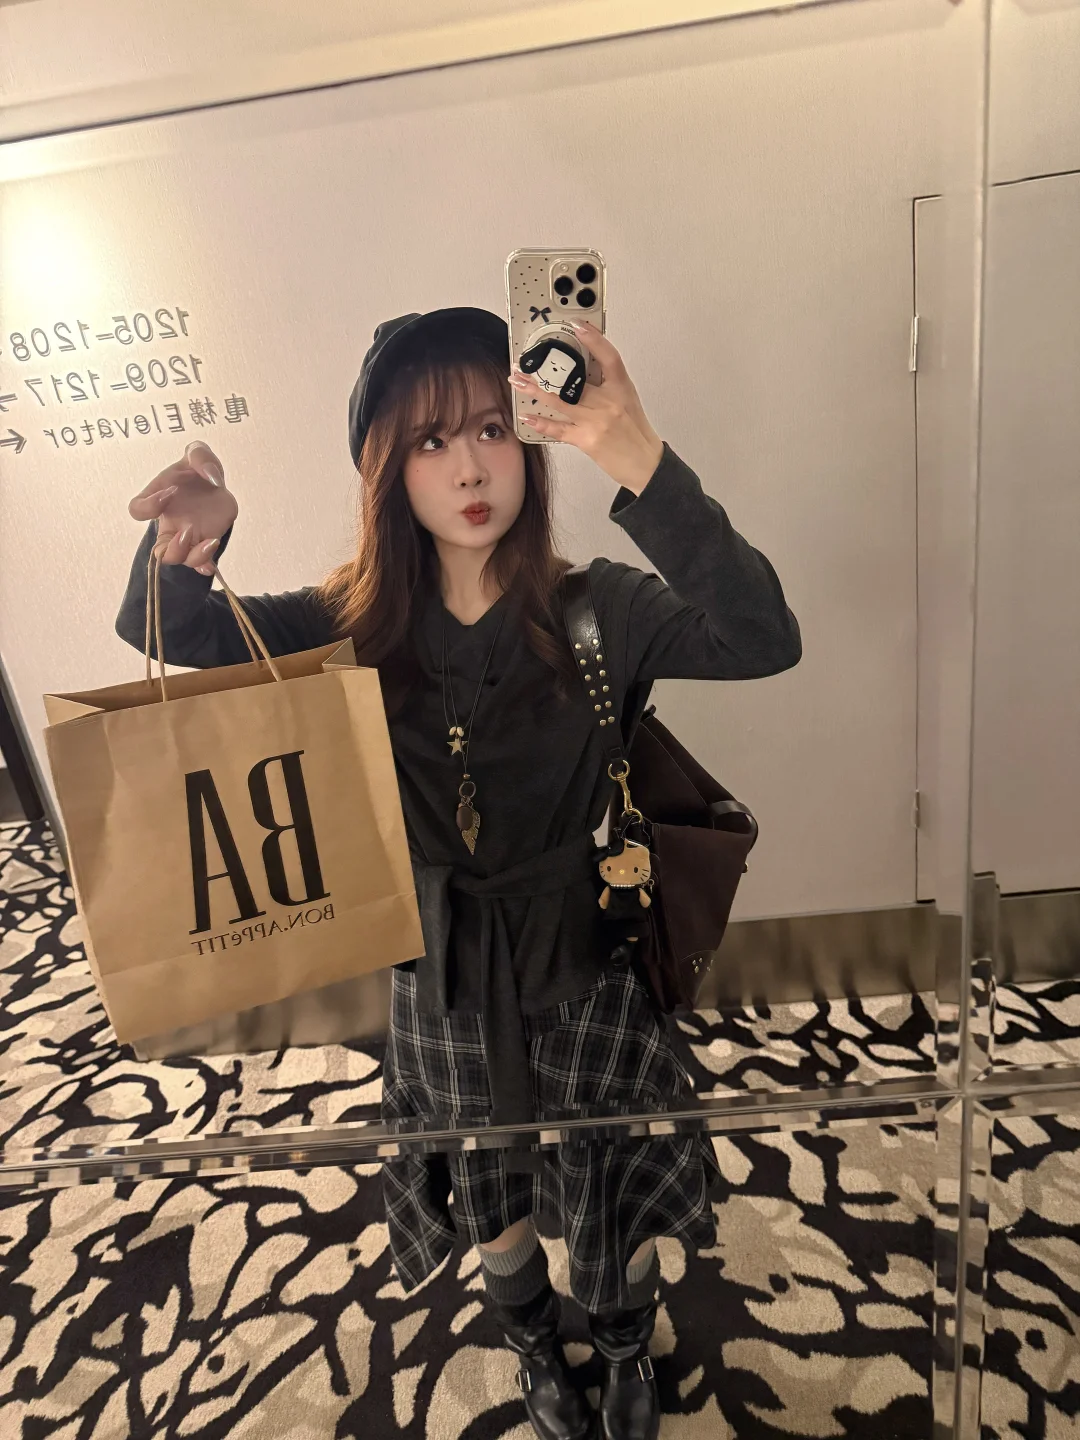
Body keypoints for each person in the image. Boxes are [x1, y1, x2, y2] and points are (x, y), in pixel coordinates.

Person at [116, 308, 801, 1440]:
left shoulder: (596, 609)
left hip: (582, 959)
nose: (470, 467)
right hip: (436, 971)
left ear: (529, 443)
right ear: (389, 473)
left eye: (492, 428)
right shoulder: (352, 621)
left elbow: (763, 635)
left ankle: (623, 1344)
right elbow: (175, 637)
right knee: (487, 1185)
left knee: (606, 1178)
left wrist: (635, 452)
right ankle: (533, 1341)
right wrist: (190, 543)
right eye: (431, 441)